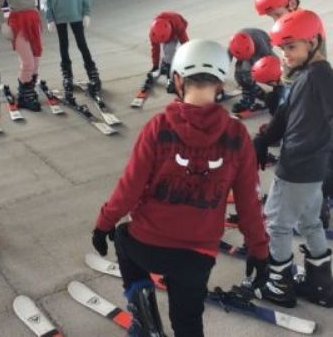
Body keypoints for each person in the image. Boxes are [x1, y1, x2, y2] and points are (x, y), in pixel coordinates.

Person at [92, 39, 268, 337]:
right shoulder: (237, 136)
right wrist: (259, 250)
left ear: (177, 80)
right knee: (188, 323)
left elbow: (130, 187)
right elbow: (248, 202)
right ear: (220, 84)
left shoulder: (158, 127)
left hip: (147, 245)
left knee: (122, 236)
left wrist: (103, 223)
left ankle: (146, 323)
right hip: (197, 256)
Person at [253, 10, 333, 308]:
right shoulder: (307, 75)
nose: (285, 54)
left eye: (291, 47)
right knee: (310, 222)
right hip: (311, 168)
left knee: (277, 223)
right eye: (282, 48)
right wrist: (263, 140)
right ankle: (320, 285)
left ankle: (279, 285)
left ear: (313, 41)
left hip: (298, 167)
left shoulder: (321, 75)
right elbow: (286, 115)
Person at [0, 0, 55, 111]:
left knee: (35, 61)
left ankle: (29, 92)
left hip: (33, 20)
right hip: (18, 23)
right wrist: (3, 24)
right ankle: (23, 96)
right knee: (27, 62)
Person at [227, 29, 273, 115]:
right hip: (246, 48)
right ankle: (257, 91)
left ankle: (250, 97)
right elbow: (225, 62)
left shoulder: (263, 47)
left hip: (259, 45)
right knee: (239, 76)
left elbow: (271, 61)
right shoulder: (233, 45)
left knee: (248, 74)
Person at [148, 11, 189, 93]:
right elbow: (155, 50)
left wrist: (170, 80)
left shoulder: (178, 26)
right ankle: (165, 64)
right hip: (168, 30)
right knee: (167, 52)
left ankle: (171, 78)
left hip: (176, 28)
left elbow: (186, 45)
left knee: (169, 52)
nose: (163, 43)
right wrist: (155, 66)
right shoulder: (154, 32)